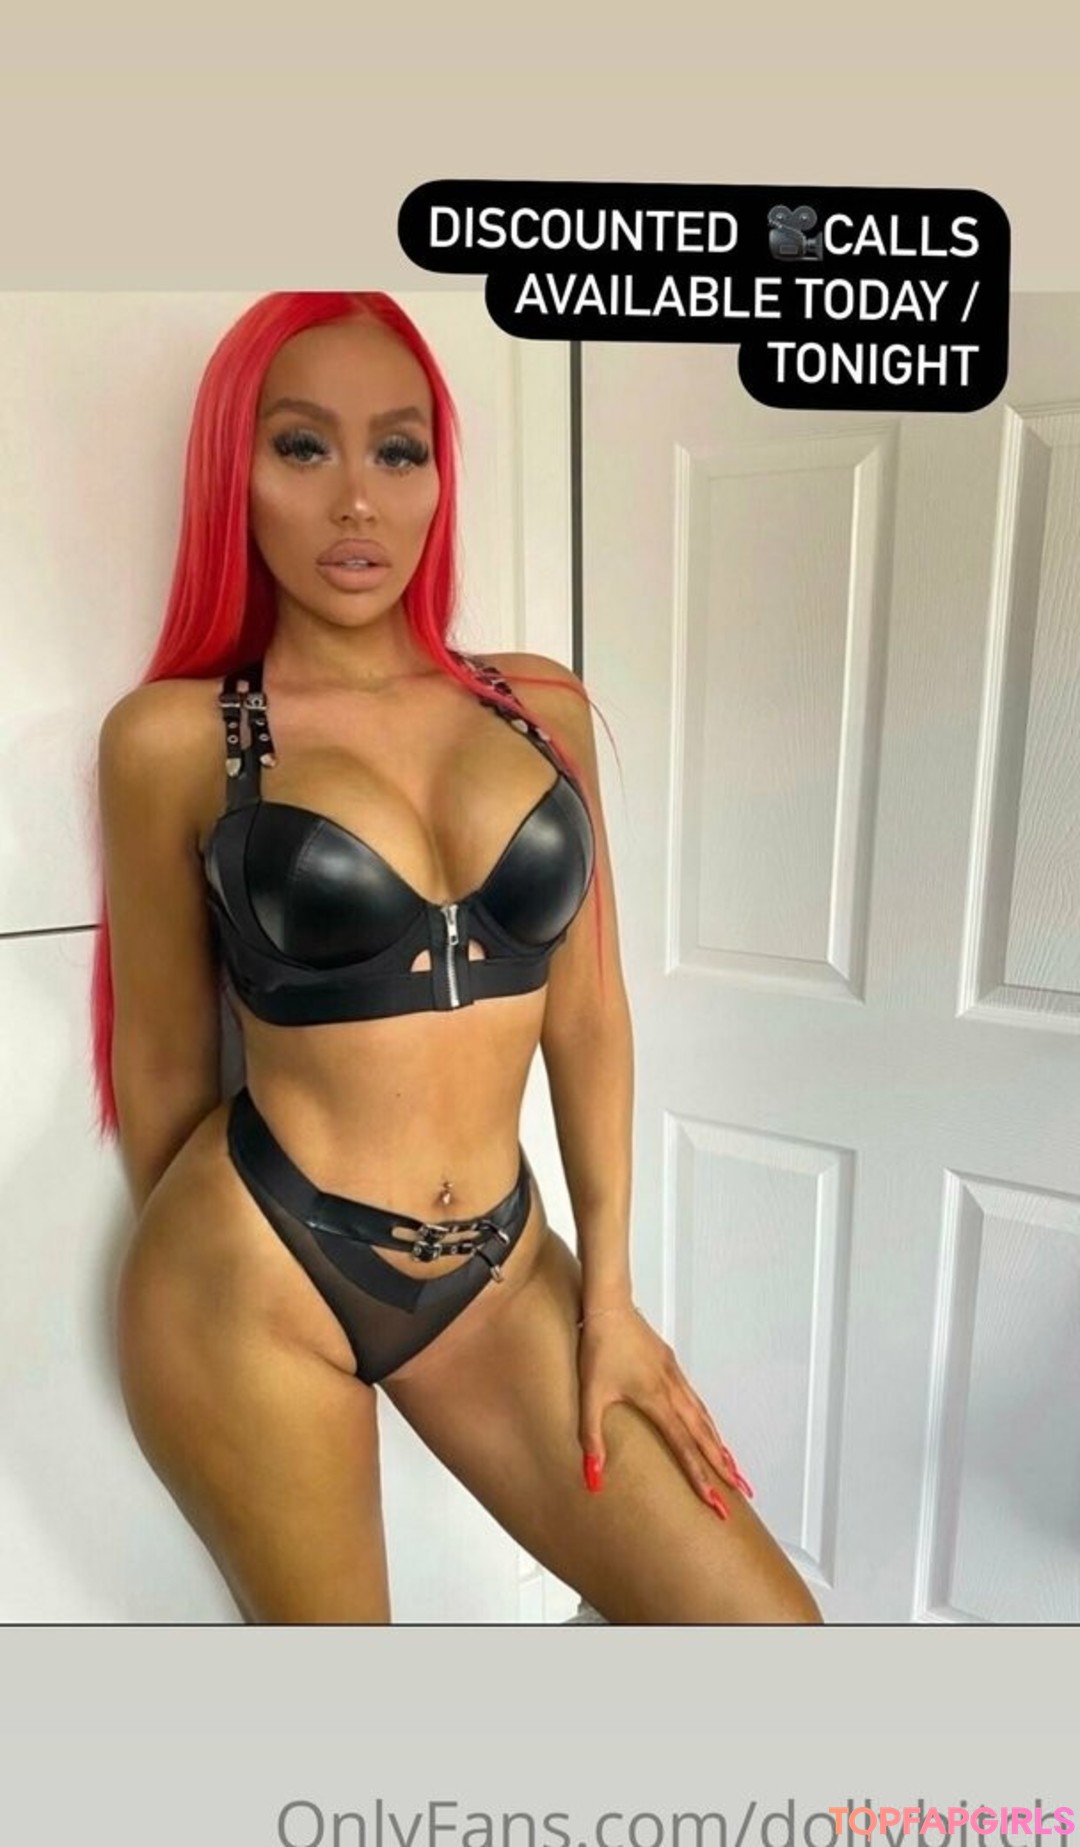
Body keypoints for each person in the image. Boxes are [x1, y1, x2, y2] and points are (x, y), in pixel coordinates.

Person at [92, 290, 822, 1625]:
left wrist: (610, 1300)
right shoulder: (173, 740)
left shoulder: (538, 707)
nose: (357, 500)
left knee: (770, 1636)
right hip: (255, 1272)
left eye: (399, 449)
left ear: (440, 477)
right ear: (233, 476)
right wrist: (208, 1313)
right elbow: (160, 1062)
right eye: (302, 446)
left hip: (498, 1266)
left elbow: (587, 1015)